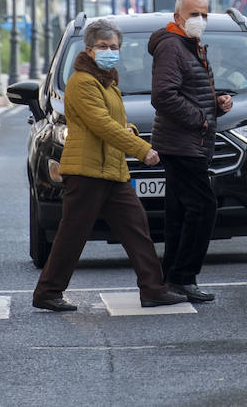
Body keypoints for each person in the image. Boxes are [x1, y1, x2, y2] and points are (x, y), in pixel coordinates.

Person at [33, 19, 188, 312]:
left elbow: (113, 121)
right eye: (103, 47)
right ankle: (47, 292)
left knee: (136, 228)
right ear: (89, 49)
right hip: (87, 171)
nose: (109, 51)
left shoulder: (107, 81)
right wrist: (142, 149)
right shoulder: (82, 82)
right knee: (72, 234)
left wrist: (129, 129)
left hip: (112, 169)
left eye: (114, 47)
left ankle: (153, 289)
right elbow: (100, 124)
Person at [148, 0, 233, 302]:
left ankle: (173, 276)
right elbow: (163, 96)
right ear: (178, 17)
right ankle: (184, 276)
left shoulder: (189, 45)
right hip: (182, 144)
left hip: (187, 142)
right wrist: (201, 118)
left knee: (181, 212)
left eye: (205, 14)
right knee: (203, 207)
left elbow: (188, 90)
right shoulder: (172, 47)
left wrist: (215, 102)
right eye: (194, 13)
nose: (200, 19)